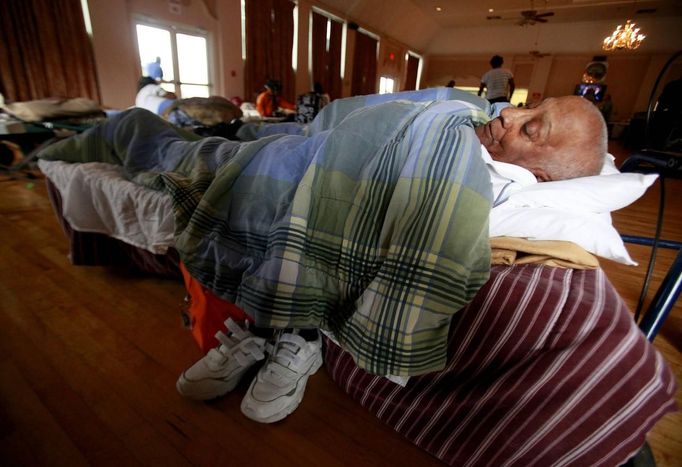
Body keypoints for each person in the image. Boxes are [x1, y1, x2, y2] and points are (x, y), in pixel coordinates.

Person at [39, 91, 606, 424]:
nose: (507, 115)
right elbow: (344, 117)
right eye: (526, 107)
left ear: (541, 173)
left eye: (532, 127)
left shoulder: (477, 175)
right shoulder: (460, 114)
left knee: (160, 144)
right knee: (146, 134)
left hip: (290, 153)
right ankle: (61, 146)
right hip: (284, 145)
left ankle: (292, 329)